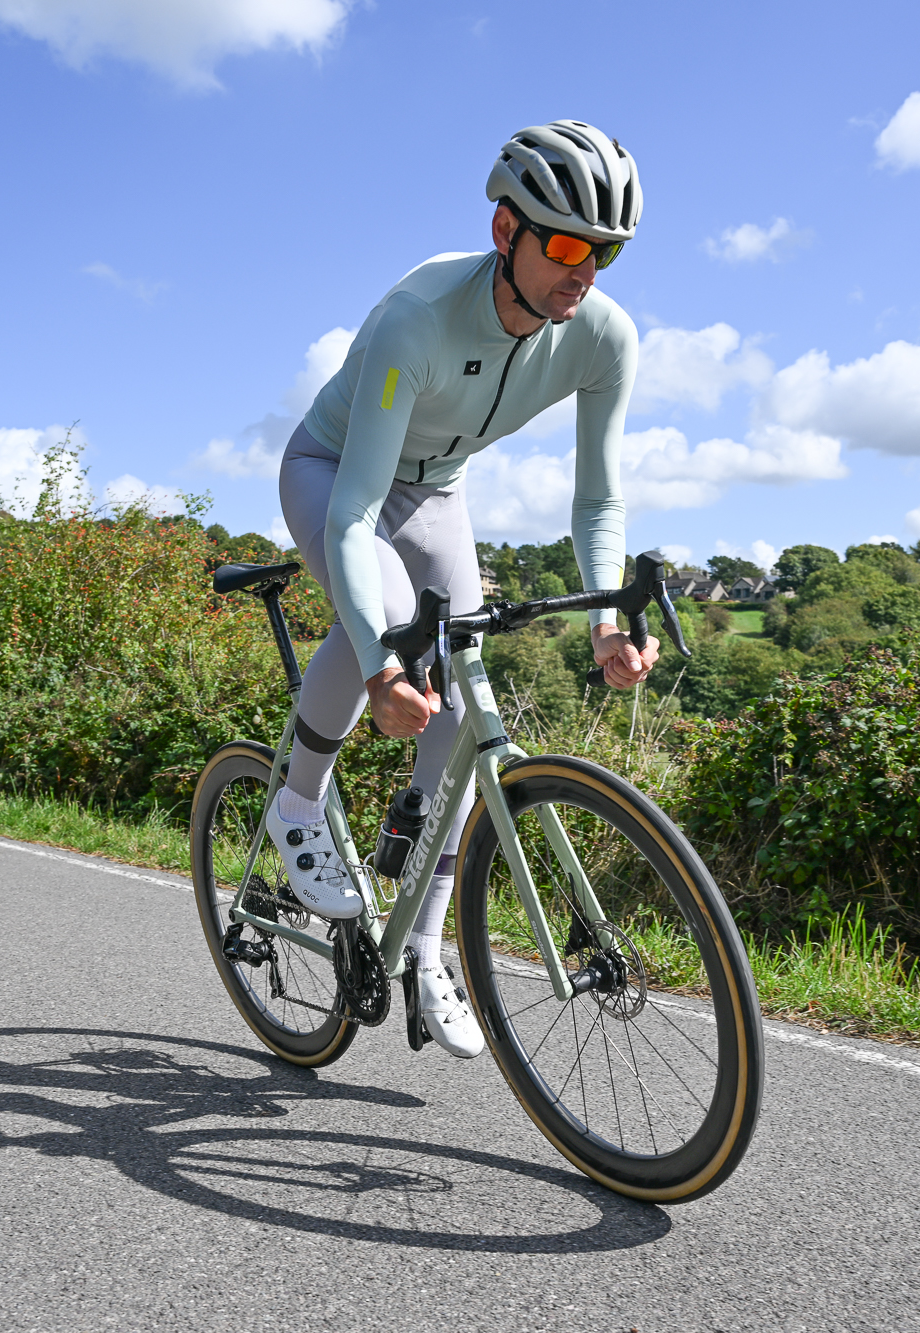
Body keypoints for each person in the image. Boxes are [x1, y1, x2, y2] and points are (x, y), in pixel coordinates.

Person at [265, 120, 659, 1058]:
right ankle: (296, 804)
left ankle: (428, 939)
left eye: (603, 251)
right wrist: (376, 668)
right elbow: (356, 513)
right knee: (398, 628)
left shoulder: (601, 337)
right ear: (504, 232)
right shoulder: (420, 316)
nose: (584, 271)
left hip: (438, 492)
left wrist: (607, 616)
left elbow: (598, 499)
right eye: (564, 245)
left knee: (462, 677)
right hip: (336, 472)